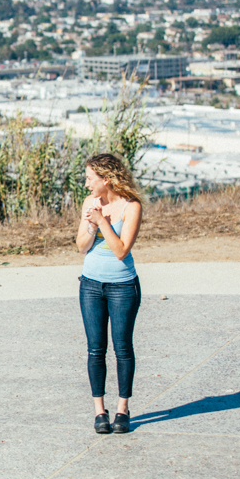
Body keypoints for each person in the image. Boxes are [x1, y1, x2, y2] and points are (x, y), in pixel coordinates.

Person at [75, 153, 144, 435]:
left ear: (106, 179)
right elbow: (81, 246)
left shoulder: (132, 206)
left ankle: (122, 410)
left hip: (123, 287)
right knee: (95, 349)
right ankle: (100, 412)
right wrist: (91, 224)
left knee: (122, 348)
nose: (87, 184)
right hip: (90, 285)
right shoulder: (89, 204)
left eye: (90, 178)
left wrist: (103, 222)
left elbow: (121, 251)